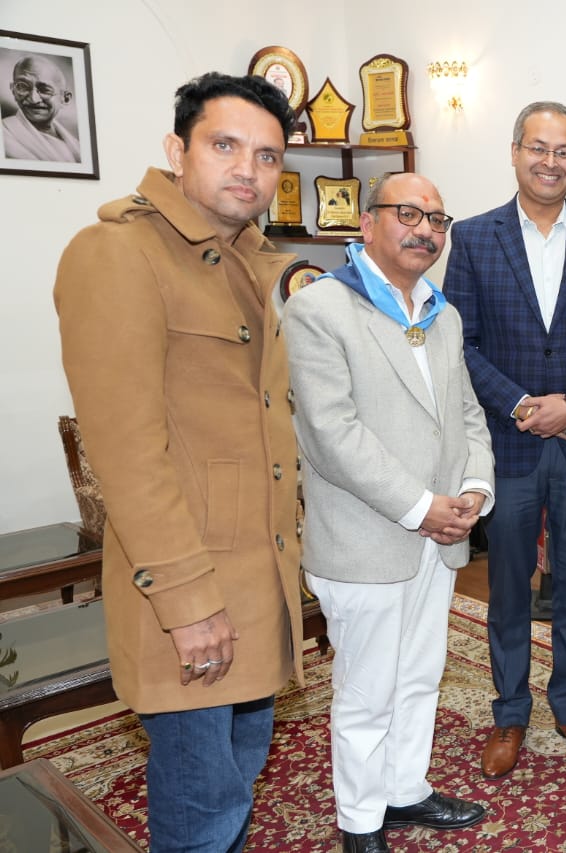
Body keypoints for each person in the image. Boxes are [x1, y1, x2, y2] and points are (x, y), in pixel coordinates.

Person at [53, 72, 303, 852]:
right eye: (225, 145)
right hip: (189, 591)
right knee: (202, 806)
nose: (248, 170)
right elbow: (126, 455)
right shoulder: (118, 252)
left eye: (267, 156)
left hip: (255, 579)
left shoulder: (245, 261)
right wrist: (189, 603)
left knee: (237, 778)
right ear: (177, 149)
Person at [284, 171, 494, 853]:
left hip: (439, 537)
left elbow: (466, 414)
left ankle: (404, 788)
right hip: (365, 538)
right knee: (367, 689)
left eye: (437, 219)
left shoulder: (442, 314)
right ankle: (360, 821)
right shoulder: (319, 309)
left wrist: (474, 489)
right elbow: (331, 434)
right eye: (408, 213)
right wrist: (421, 506)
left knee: (420, 674)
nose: (425, 230)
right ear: (367, 223)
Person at [445, 101, 566, 779]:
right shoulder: (474, 237)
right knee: (508, 588)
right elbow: (460, 341)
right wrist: (522, 404)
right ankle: (509, 712)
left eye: (565, 151)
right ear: (515, 151)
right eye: (539, 148)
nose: (551, 162)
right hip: (511, 441)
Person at [3, 53, 80, 162]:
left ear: (65, 98)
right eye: (23, 87)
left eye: (45, 90)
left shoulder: (76, 146)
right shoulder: (5, 133)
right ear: (13, 90)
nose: (33, 99)